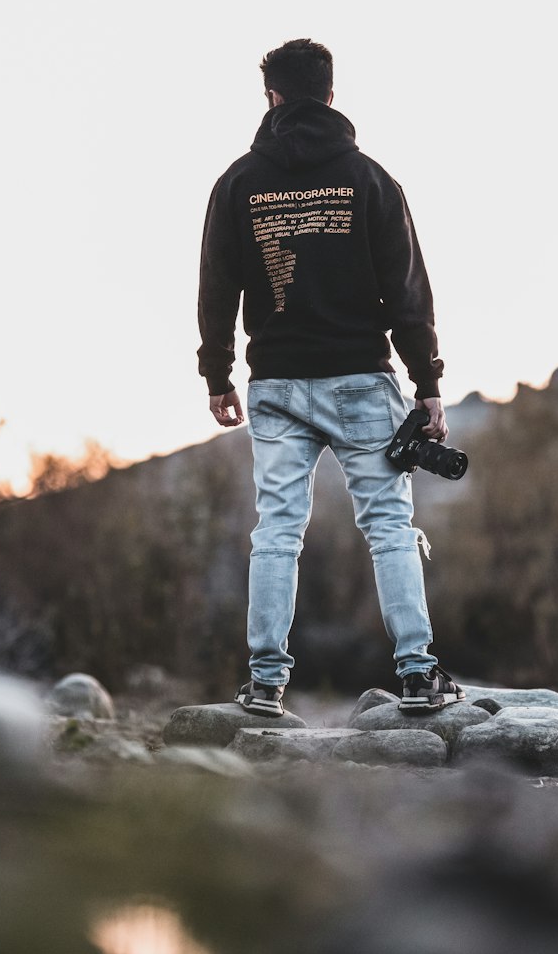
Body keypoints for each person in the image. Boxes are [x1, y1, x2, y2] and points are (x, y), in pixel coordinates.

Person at [197, 38, 463, 718]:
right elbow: (408, 290)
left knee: (277, 530)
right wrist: (427, 382)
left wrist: (218, 374)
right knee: (389, 527)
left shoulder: (237, 183)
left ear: (273, 98)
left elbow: (216, 286)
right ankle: (416, 674)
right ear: (332, 96)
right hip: (359, 381)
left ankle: (263, 683)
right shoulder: (370, 180)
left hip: (277, 384)